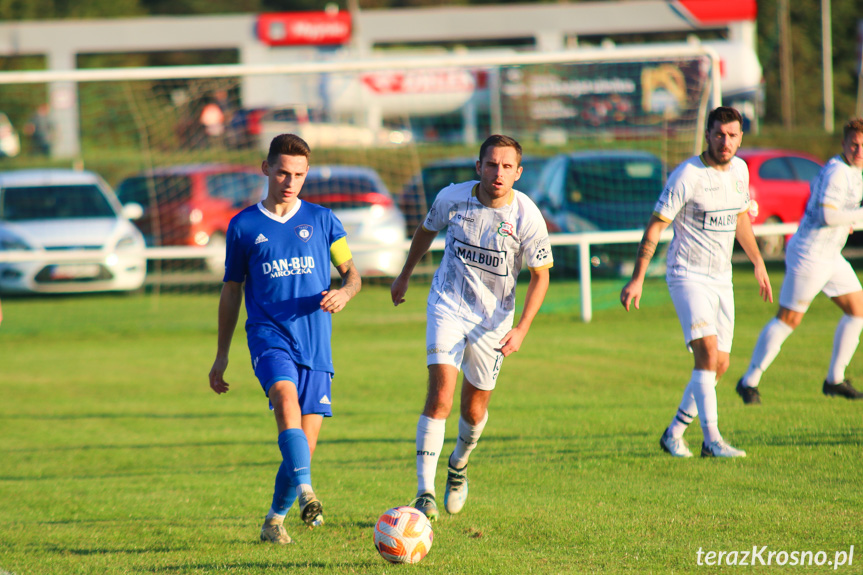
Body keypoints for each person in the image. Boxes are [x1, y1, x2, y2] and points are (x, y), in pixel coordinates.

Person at [208, 134, 361, 544]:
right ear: (266, 168)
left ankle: (274, 520)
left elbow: (352, 274)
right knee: (284, 399)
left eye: (298, 174)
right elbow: (231, 289)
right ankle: (309, 492)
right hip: (268, 335)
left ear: (306, 174)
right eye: (282, 172)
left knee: (302, 449)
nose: (289, 181)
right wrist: (221, 354)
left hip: (316, 343)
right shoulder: (243, 226)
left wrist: (345, 292)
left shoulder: (324, 220)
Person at [391, 134, 553, 520]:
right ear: (478, 167)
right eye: (491, 164)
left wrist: (523, 328)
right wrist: (404, 276)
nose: (498, 173)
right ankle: (424, 492)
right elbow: (426, 231)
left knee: (474, 409)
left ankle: (459, 465)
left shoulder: (527, 217)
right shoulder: (451, 198)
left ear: (518, 172)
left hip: (494, 320)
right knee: (441, 397)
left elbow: (541, 275)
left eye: (507, 166)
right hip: (447, 305)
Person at [620, 106, 773, 459]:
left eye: (733, 135)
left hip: (722, 278)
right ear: (707, 134)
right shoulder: (687, 175)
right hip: (687, 276)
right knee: (705, 353)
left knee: (719, 364)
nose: (726, 141)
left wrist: (758, 262)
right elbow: (656, 227)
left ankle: (674, 433)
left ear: (741, 138)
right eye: (719, 134)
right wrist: (638, 278)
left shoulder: (740, 170)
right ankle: (712, 441)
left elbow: (740, 219)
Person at [736, 118, 863, 404]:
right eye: (853, 144)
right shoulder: (838, 173)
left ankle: (835, 380)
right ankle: (748, 382)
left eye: (862, 145)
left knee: (858, 310)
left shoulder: (854, 172)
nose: (858, 150)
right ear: (843, 143)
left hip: (830, 255)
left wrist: (848, 220)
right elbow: (829, 215)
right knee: (789, 319)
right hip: (810, 255)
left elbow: (829, 211)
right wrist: (855, 217)